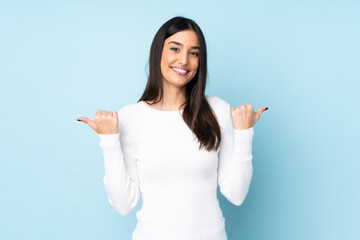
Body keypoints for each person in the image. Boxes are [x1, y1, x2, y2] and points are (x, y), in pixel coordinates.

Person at [77, 16, 268, 240]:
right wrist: (108, 140)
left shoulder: (218, 111)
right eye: (175, 49)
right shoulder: (131, 117)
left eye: (194, 53)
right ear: (158, 52)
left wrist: (244, 133)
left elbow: (236, 194)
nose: (184, 60)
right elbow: (123, 204)